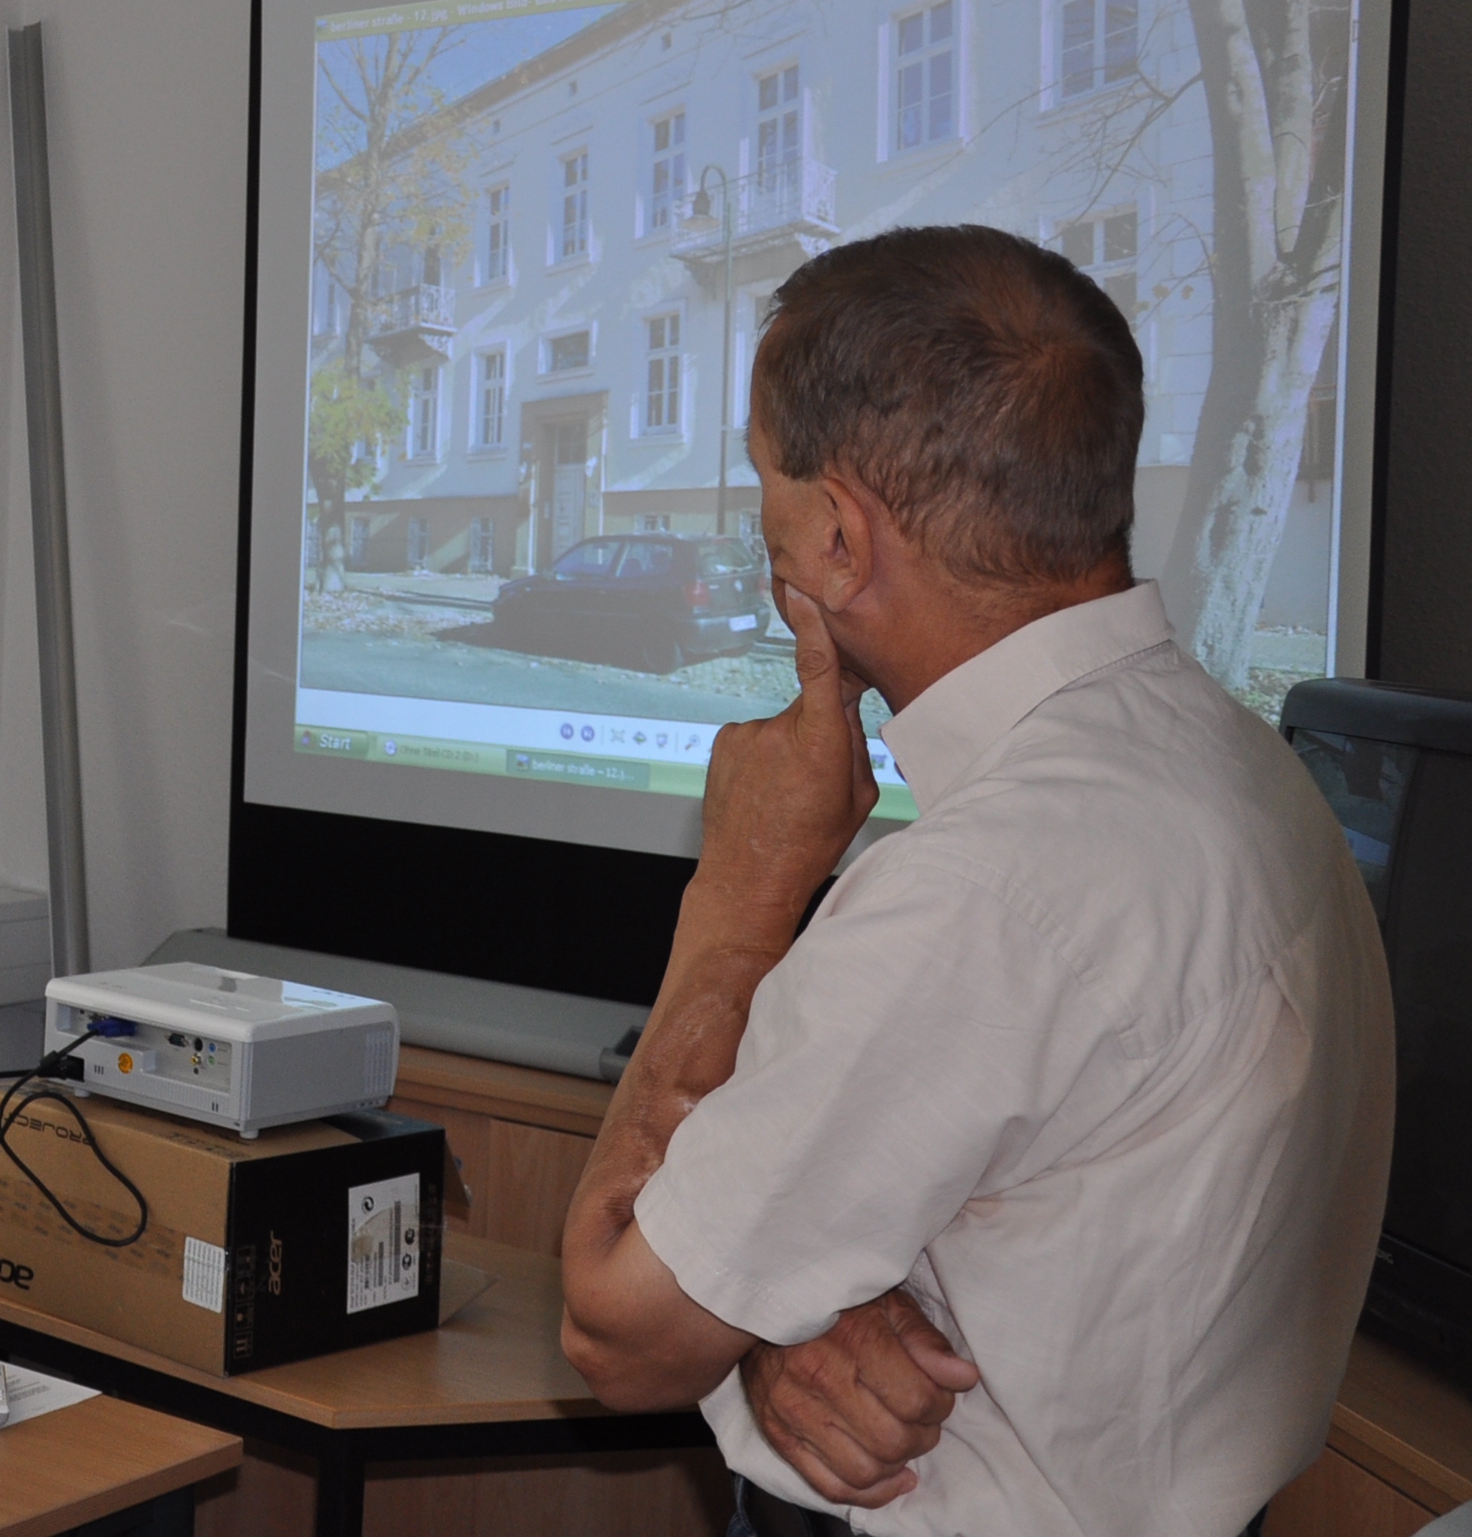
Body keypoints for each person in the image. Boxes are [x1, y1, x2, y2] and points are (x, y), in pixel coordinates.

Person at [555, 226, 1393, 1537]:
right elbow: (1054, 1203)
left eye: (766, 481)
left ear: (839, 538)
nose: (762, 526)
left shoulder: (980, 892)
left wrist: (741, 900)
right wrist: (788, 1307)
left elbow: (621, 1330)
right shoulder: (1242, 761)